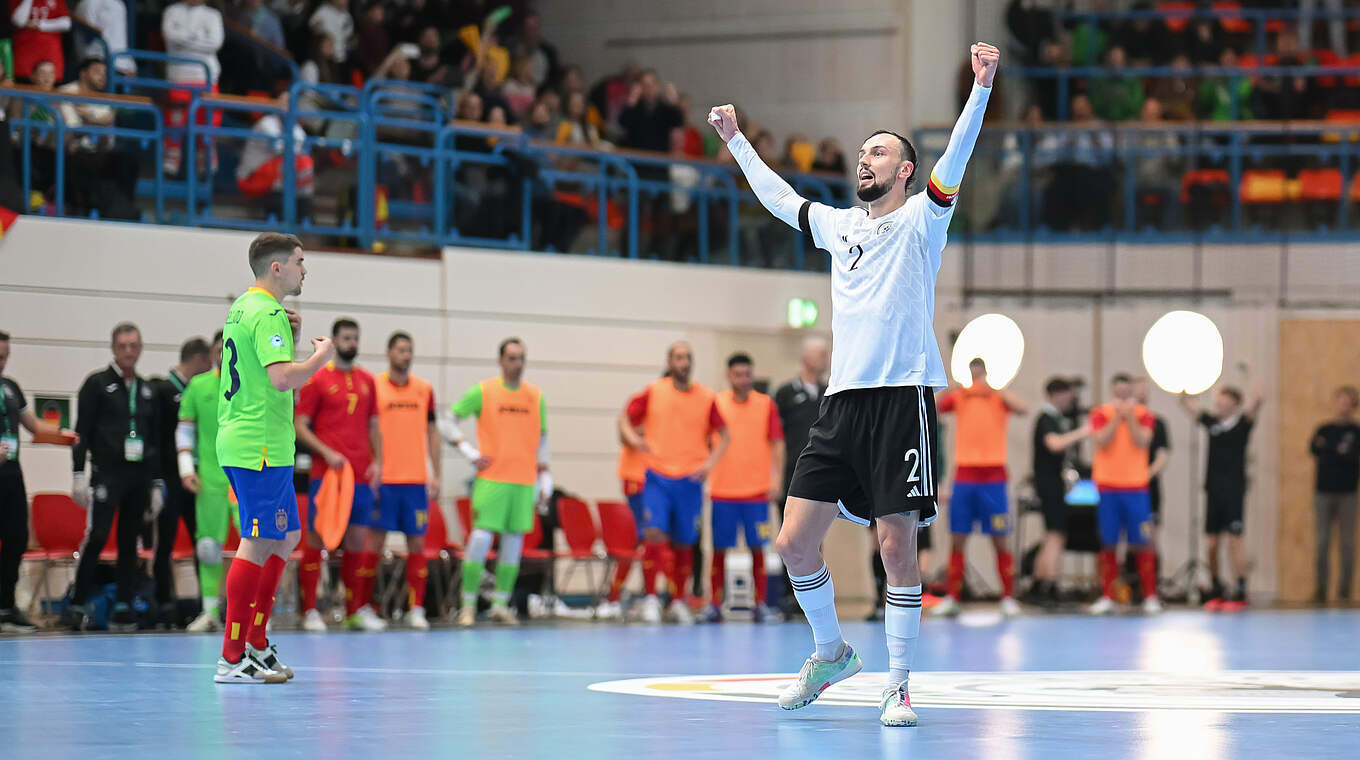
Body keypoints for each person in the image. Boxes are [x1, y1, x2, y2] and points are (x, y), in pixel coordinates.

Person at [709, 42, 998, 726]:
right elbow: (784, 201)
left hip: (903, 400)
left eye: (877, 153)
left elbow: (957, 154)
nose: (862, 159)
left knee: (896, 543)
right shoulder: (839, 229)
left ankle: (898, 683)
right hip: (841, 406)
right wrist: (738, 143)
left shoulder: (924, 220)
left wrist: (982, 86)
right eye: (862, 152)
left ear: (903, 171)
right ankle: (831, 652)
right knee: (793, 543)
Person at [214, 232, 334, 684]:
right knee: (259, 539)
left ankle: (257, 643)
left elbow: (269, 374)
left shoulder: (247, 307)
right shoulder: (265, 313)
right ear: (277, 267)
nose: (306, 270)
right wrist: (321, 357)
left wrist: (293, 337)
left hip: (266, 441)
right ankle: (231, 657)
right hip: (256, 443)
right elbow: (284, 379)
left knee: (287, 537)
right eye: (301, 261)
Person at [619, 342, 730, 625]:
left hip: (690, 480)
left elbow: (724, 435)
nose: (685, 362)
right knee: (654, 534)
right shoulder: (654, 391)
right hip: (656, 476)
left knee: (684, 541)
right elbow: (625, 417)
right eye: (679, 358)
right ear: (670, 362)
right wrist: (634, 440)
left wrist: (708, 465)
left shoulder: (706, 396)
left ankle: (678, 600)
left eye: (688, 358)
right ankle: (651, 599)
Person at [65, 323, 165, 632]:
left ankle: (123, 605)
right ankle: (78, 602)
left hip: (139, 476)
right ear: (112, 348)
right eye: (122, 346)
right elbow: (81, 431)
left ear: (141, 348)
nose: (128, 351)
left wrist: (157, 482)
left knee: (129, 540)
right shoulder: (96, 384)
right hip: (107, 473)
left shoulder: (147, 389)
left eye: (134, 345)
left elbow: (155, 438)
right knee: (97, 535)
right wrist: (79, 473)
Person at [446, 338, 552, 627]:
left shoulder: (535, 396)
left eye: (521, 358)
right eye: (512, 358)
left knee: (514, 544)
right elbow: (448, 420)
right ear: (501, 360)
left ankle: (500, 604)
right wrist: (469, 452)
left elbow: (542, 439)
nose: (517, 363)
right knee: (480, 539)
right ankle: (467, 604)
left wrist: (545, 477)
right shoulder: (485, 391)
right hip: (492, 480)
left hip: (524, 481)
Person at [294, 318, 384, 632]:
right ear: (334, 341)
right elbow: (300, 425)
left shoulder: (367, 381)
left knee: (358, 540)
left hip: (360, 475)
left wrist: (378, 462)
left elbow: (373, 425)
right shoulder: (317, 381)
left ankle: (355, 610)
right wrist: (327, 452)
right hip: (327, 475)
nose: (352, 344)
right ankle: (309, 611)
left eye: (355, 338)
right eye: (346, 338)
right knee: (317, 539)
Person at [933, 358, 1029, 617]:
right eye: (973, 374)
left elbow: (1024, 408)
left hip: (994, 478)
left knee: (1000, 538)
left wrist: (996, 389)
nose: (977, 378)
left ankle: (1008, 597)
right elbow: (934, 406)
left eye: (980, 374)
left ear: (986, 373)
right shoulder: (961, 397)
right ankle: (953, 596)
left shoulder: (998, 398)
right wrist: (952, 387)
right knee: (957, 538)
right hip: (965, 475)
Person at [0, 330, 75, 631]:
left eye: (5, 357)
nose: (2, 362)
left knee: (17, 537)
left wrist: (61, 436)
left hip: (11, 475)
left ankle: (5, 606)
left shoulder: (10, 388)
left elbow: (33, 426)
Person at [703, 353, 784, 624]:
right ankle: (714, 603)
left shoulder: (765, 405)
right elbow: (703, 441)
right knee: (718, 550)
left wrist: (776, 480)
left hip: (756, 493)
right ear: (729, 376)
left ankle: (760, 604)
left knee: (758, 549)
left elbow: (777, 444)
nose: (743, 379)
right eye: (738, 375)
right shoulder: (717, 403)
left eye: (747, 374)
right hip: (723, 491)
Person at [1178, 362, 1263, 611]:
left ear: (1234, 404)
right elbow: (1185, 402)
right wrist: (1190, 378)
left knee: (1234, 541)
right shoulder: (1212, 423)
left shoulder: (1242, 424)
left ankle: (1241, 587)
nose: (1220, 405)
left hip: (1233, 489)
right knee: (1211, 543)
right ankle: (1215, 585)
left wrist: (1250, 373)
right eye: (1219, 401)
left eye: (1225, 401)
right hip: (1212, 489)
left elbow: (1258, 398)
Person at [373, 332, 440, 630]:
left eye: (410, 350)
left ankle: (416, 608)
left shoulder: (424, 389)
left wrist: (435, 473)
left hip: (415, 481)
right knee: (373, 545)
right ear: (389, 353)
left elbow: (433, 433)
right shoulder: (374, 387)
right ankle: (369, 608)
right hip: (384, 480)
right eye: (401, 350)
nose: (406, 355)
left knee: (417, 545)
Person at [148, 337, 213, 626]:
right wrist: (156, 480)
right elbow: (158, 439)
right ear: (199, 360)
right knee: (165, 543)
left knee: (204, 541)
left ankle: (206, 605)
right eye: (209, 362)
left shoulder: (200, 392)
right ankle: (164, 604)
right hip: (170, 478)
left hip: (197, 478)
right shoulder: (162, 391)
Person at [180, 331, 239, 632]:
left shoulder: (252, 384)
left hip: (246, 478)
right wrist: (185, 469)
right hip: (210, 481)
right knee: (207, 547)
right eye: (218, 349)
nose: (222, 353)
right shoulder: (199, 385)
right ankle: (209, 611)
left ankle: (255, 613)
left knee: (257, 545)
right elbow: (185, 430)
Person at [1087, 373, 1161, 616]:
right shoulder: (1100, 413)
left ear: (1131, 393)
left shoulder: (1145, 416)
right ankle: (1107, 595)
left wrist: (1129, 419)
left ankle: (1150, 596)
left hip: (1136, 488)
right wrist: (1116, 418)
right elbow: (1101, 440)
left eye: (1126, 393)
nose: (1122, 397)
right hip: (1108, 487)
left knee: (1143, 541)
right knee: (1108, 541)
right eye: (1117, 393)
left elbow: (1143, 441)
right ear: (1112, 391)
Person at [1028, 377, 1090, 606]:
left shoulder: (1054, 418)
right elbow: (1054, 444)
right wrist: (1084, 431)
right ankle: (1050, 585)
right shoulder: (1047, 418)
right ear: (1056, 395)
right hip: (1049, 484)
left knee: (1050, 535)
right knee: (1057, 535)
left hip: (1051, 483)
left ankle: (1039, 583)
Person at [594, 400, 650, 621]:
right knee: (644, 540)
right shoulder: (642, 408)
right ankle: (617, 596)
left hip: (664, 482)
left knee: (649, 543)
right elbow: (623, 431)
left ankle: (654, 596)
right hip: (638, 481)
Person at [161, 0, 224, 175]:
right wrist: (198, 37)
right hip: (178, 77)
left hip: (206, 78)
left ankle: (205, 162)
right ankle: (171, 161)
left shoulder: (213, 15)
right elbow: (170, 36)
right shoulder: (171, 11)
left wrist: (184, 39)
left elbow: (215, 43)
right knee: (174, 122)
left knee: (208, 123)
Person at [1310, 386, 1360, 603]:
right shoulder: (1324, 429)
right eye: (1340, 401)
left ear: (1353, 406)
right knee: (1322, 542)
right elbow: (1314, 449)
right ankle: (1321, 591)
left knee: (1347, 544)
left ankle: (1344, 592)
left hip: (1348, 494)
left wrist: (1332, 451)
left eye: (1347, 402)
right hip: (1323, 493)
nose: (1343, 406)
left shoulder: (1356, 432)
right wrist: (1337, 450)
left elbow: (1351, 457)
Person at [1134, 377, 1170, 541]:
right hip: (1124, 485)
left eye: (1145, 390)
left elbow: (1163, 455)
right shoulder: (1120, 421)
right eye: (1138, 389)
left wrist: (1148, 473)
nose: (1142, 393)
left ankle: (1150, 565)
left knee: (1150, 536)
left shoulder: (1157, 423)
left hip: (1148, 486)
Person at [10, 0, 71, 81]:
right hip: (25, 53)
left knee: (49, 86)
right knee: (23, 83)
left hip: (50, 52)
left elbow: (67, 24)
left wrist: (39, 25)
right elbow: (19, 21)